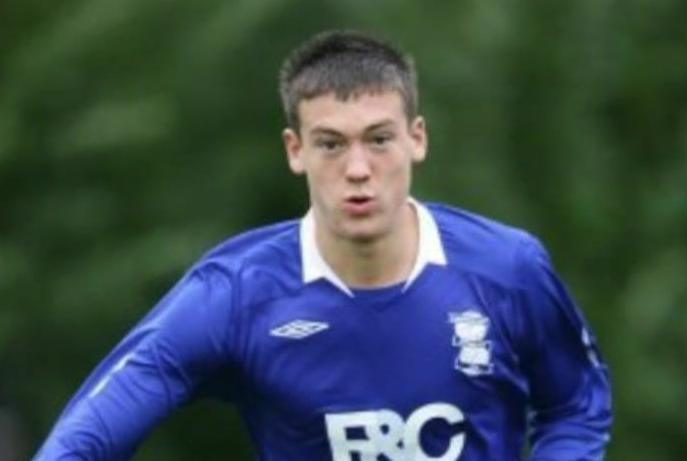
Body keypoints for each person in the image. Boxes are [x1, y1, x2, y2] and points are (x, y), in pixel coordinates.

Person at [34, 30, 612, 460]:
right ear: (295, 150)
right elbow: (83, 442)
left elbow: (577, 408)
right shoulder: (236, 294)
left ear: (417, 139)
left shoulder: (507, 268)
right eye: (331, 144)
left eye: (379, 139)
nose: (358, 169)